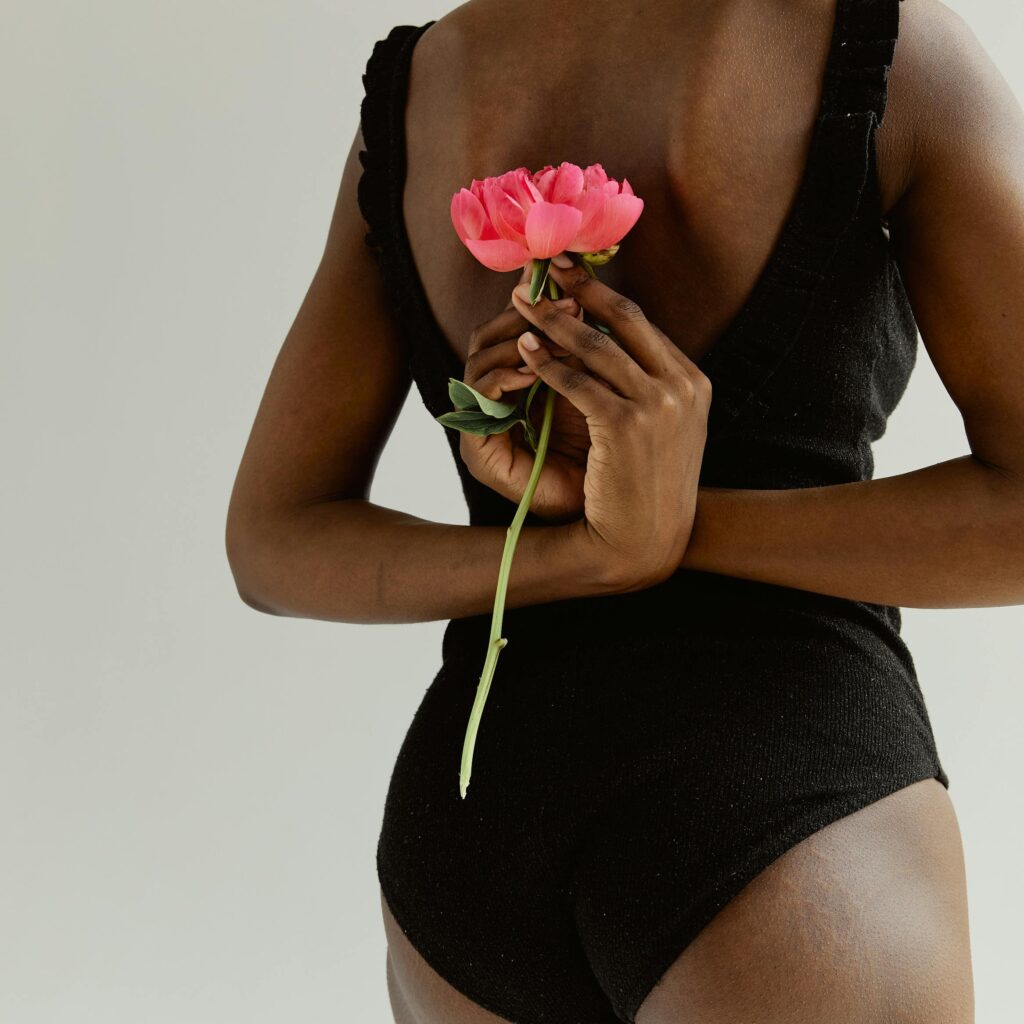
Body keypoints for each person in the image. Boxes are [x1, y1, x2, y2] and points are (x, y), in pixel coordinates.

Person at [226, 0, 1024, 1020]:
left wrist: (601, 551)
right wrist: (654, 536)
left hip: (470, 823)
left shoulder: (427, 80)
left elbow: (272, 539)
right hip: (783, 801)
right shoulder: (882, 45)